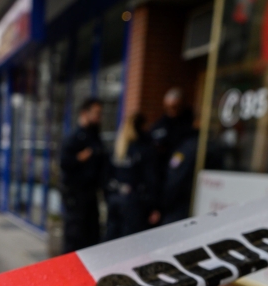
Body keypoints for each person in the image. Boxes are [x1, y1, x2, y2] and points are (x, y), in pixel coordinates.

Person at [60, 98, 106, 253]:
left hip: (91, 196)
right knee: (74, 238)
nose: (99, 117)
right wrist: (79, 158)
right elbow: (64, 163)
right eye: (96, 113)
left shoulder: (96, 137)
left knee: (92, 237)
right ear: (85, 113)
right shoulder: (73, 138)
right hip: (75, 197)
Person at [104, 112, 157, 241]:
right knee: (130, 243)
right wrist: (153, 206)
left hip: (115, 199)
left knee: (111, 239)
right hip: (134, 203)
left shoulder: (118, 148)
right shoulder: (143, 149)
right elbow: (151, 179)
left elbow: (105, 176)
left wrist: (109, 196)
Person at [149, 88, 195, 221]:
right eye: (168, 106)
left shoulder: (188, 128)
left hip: (180, 189)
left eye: (175, 106)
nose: (171, 110)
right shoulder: (160, 126)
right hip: (161, 183)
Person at [159, 124, 199, 224]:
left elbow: (175, 179)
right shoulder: (186, 144)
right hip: (178, 203)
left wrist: (163, 203)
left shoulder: (188, 145)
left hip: (179, 204)